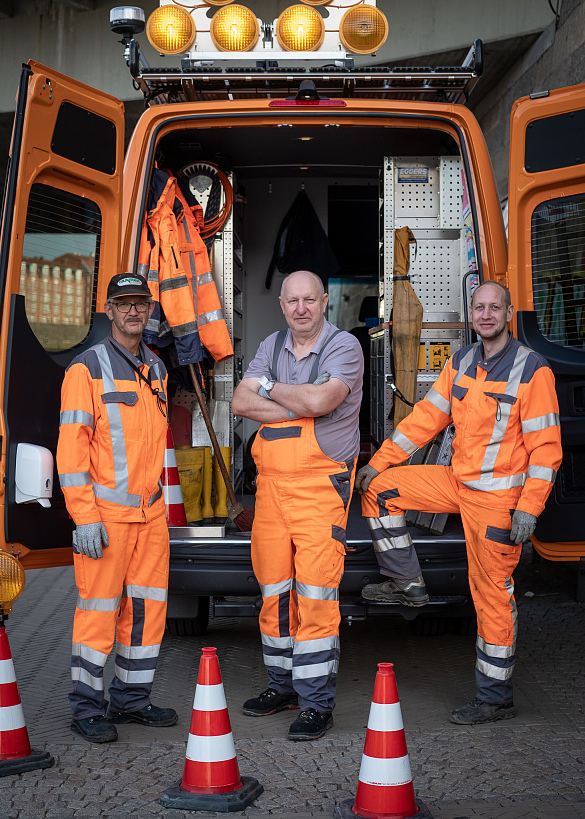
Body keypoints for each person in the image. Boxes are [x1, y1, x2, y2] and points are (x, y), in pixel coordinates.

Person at [356, 281, 562, 725]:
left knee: (492, 596)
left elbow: (547, 450)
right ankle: (406, 584)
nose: (486, 315)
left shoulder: (532, 370)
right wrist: (379, 461)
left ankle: (494, 697)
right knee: (381, 489)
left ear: (509, 314)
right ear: (472, 313)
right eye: (479, 307)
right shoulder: (463, 361)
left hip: (499, 499)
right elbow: (425, 420)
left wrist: (529, 507)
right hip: (457, 483)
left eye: (495, 308)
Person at [232, 270, 363, 741]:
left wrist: (269, 388)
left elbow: (323, 398)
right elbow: (238, 402)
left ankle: (315, 703)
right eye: (293, 301)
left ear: (324, 301)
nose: (301, 308)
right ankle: (282, 685)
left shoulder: (344, 347)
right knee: (273, 591)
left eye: (310, 300)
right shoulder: (271, 345)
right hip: (270, 490)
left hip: (319, 489)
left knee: (315, 597)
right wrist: (296, 403)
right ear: (283, 304)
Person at [56, 273, 177, 743]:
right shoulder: (85, 370)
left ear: (149, 311)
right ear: (108, 310)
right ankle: (87, 707)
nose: (133, 311)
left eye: (140, 304)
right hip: (105, 521)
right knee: (99, 613)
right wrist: (84, 517)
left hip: (150, 519)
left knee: (146, 612)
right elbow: (71, 454)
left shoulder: (158, 368)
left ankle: (131, 700)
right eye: (123, 303)